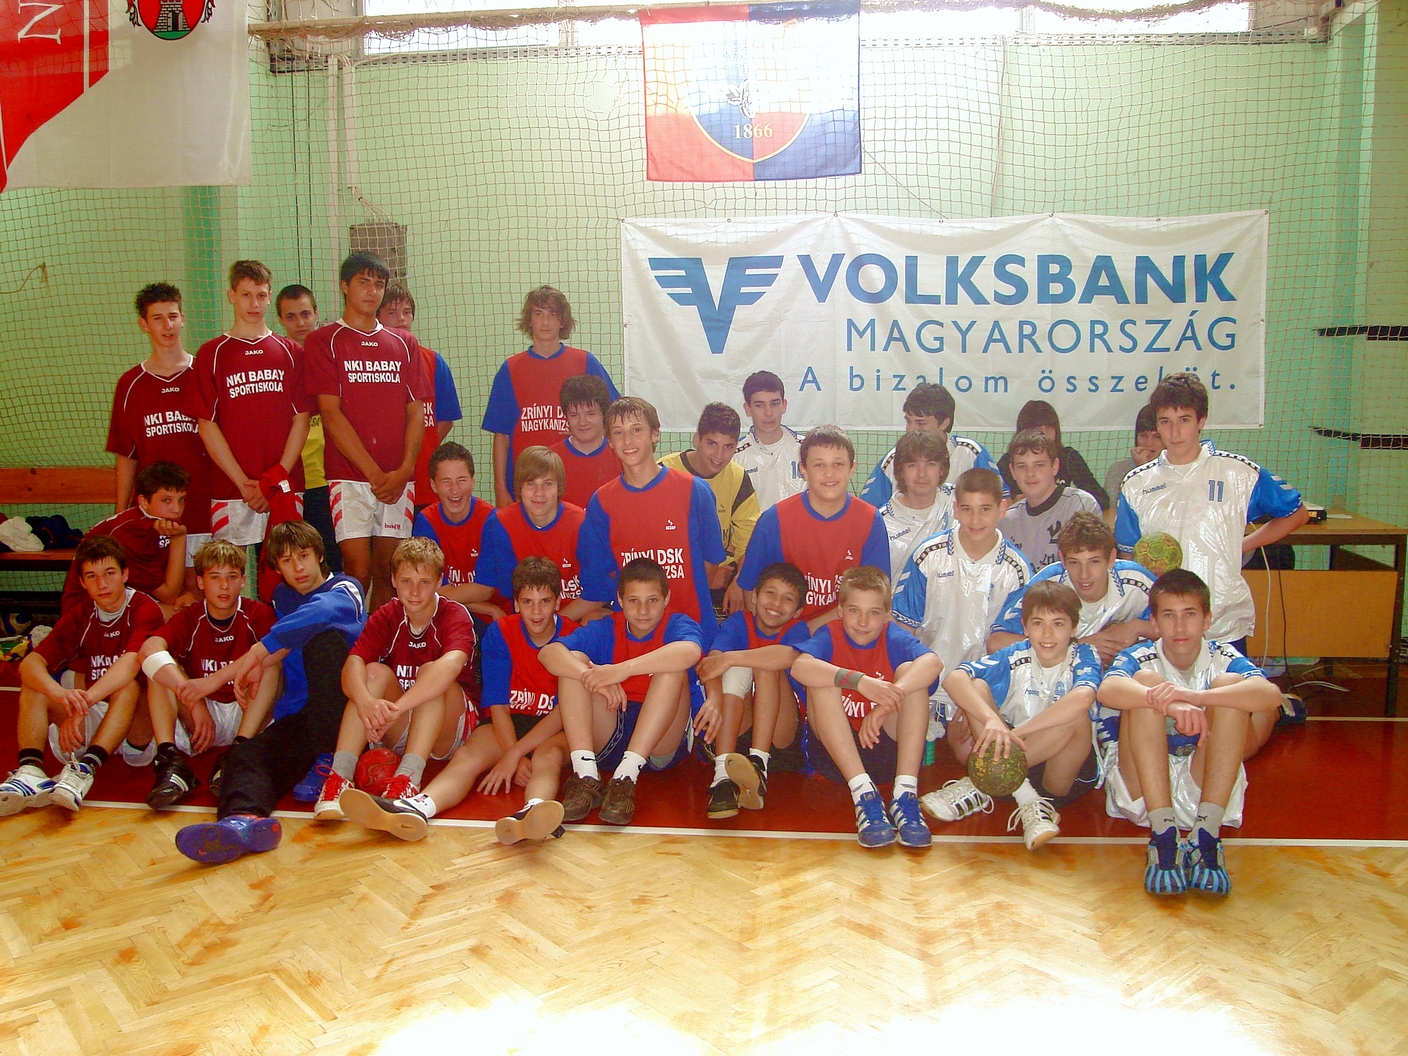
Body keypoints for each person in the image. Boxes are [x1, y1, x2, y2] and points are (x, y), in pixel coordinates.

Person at [1116, 371, 1307, 751]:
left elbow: (1296, 513)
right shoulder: (1136, 484)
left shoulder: (1237, 472)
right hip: (1166, 623)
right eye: (1165, 422)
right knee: (1171, 726)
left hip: (1222, 618)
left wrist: (1243, 543)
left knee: (1227, 738)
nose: (1174, 432)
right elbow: (1126, 555)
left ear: (1201, 421)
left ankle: (1272, 711)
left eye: (1184, 420)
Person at [341, 557, 576, 844]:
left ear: (558, 602)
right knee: (467, 756)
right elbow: (498, 705)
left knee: (547, 757)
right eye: (528, 602)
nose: (536, 611)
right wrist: (511, 752)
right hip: (508, 721)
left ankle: (534, 811)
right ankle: (418, 807)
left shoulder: (574, 635)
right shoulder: (501, 633)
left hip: (553, 725)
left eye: (545, 601)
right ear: (515, 604)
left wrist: (515, 755)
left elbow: (565, 712)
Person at [173, 520, 365, 864]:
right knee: (245, 755)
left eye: (303, 556)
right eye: (287, 561)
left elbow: (317, 614)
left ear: (320, 555)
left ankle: (331, 757)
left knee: (323, 641)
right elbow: (280, 646)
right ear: (277, 568)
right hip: (301, 715)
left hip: (345, 720)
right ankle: (242, 822)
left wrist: (257, 652)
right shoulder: (283, 597)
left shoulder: (347, 588)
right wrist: (220, 678)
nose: (298, 568)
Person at [1095, 568, 1282, 896]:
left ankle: (1206, 837)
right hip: (1143, 790)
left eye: (1190, 614)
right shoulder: (1141, 655)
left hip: (1204, 784)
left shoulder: (1222, 655)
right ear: (1154, 623)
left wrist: (1197, 698)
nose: (1180, 626)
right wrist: (1170, 704)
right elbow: (1107, 690)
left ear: (1207, 619)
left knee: (1229, 687)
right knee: (1147, 685)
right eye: (1169, 615)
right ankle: (1163, 838)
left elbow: (1271, 695)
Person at [926, 581, 1100, 849]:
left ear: (1074, 628)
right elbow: (954, 678)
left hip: (1059, 771)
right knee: (977, 687)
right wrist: (992, 720)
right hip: (1012, 762)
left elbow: (1083, 699)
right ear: (1025, 627)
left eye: (1058, 624)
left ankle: (980, 784)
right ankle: (1028, 799)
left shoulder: (1084, 655)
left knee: (1076, 714)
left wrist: (1015, 734)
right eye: (1038, 623)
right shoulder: (1016, 653)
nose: (1047, 633)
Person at [313, 537, 476, 819]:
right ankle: (339, 779)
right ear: (393, 580)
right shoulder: (386, 615)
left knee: (432, 673)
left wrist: (394, 710)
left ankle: (407, 780)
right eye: (406, 581)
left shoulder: (455, 615)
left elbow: (449, 668)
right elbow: (352, 665)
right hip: (400, 724)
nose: (414, 591)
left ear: (439, 581)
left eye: (424, 582)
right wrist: (367, 703)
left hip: (449, 730)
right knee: (371, 673)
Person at [0, 536, 165, 815]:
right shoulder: (80, 615)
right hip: (92, 715)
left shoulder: (144, 608)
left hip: (136, 730)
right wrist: (60, 695)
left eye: (109, 573)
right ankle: (30, 771)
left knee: (127, 687)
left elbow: (130, 665)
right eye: (92, 576)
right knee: (35, 685)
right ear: (82, 582)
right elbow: (30, 663)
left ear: (125, 574)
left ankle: (85, 770)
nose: (102, 584)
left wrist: (82, 703)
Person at [304, 252, 431, 609]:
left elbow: (416, 411)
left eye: (378, 284)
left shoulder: (405, 343)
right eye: (363, 282)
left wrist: (405, 470)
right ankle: (352, 641)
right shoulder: (323, 341)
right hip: (349, 478)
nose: (372, 291)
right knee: (356, 572)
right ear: (344, 286)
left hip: (398, 478)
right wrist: (375, 474)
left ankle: (379, 641)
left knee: (390, 572)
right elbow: (330, 414)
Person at [541, 558, 704, 827]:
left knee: (673, 668)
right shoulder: (607, 627)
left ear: (666, 599)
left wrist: (622, 670)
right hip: (610, 728)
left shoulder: (677, 624)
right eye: (634, 600)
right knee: (575, 661)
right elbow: (549, 653)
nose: (643, 610)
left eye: (652, 600)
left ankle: (626, 777)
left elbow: (690, 652)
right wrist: (591, 676)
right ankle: (586, 774)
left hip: (660, 744)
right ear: (620, 599)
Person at [789, 566, 941, 849]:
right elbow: (799, 667)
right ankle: (864, 796)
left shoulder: (892, 636)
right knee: (822, 678)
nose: (862, 621)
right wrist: (859, 682)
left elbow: (933, 663)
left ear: (886, 616)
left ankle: (905, 794)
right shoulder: (830, 634)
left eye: (873, 613)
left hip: (887, 755)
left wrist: (886, 703)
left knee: (911, 673)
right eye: (854, 611)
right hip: (835, 758)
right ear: (839, 611)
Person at [892, 467, 1033, 755]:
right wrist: (911, 686)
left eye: (985, 509)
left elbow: (1008, 650)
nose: (976, 519)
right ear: (955, 509)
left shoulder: (1016, 570)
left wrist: (980, 698)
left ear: (1002, 508)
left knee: (970, 755)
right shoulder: (928, 554)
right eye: (967, 509)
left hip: (976, 687)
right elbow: (904, 629)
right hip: (927, 684)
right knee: (898, 746)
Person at [137, 539, 280, 808]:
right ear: (200, 582)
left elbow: (281, 646)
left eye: (231, 577)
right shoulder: (190, 617)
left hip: (245, 711)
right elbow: (148, 650)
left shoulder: (258, 613)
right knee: (160, 667)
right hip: (202, 717)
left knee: (269, 661)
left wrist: (215, 680)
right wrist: (194, 701)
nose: (224, 586)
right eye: (215, 577)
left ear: (243, 581)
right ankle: (169, 760)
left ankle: (238, 752)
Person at [579, 396, 726, 647]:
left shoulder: (695, 491)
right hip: (636, 637)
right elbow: (605, 571)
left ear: (655, 434)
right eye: (618, 432)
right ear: (610, 441)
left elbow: (711, 561)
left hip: (693, 630)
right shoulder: (601, 502)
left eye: (636, 430)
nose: (627, 441)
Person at [195, 260, 312, 551]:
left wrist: (273, 479)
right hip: (232, 488)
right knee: (229, 569)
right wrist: (242, 483)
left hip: (283, 486)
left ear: (270, 296)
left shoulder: (291, 353)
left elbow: (301, 420)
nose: (254, 303)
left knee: (288, 566)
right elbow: (207, 425)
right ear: (231, 295)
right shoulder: (211, 354)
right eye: (246, 295)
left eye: (260, 295)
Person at [737, 425, 889, 630]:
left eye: (838, 464)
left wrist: (805, 634)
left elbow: (875, 598)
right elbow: (750, 590)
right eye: (819, 465)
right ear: (803, 470)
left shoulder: (870, 520)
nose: (829, 473)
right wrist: (769, 636)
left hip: (844, 632)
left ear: (852, 468)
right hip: (783, 634)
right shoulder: (774, 520)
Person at [107, 282, 212, 572]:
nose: (168, 326)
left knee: (201, 588)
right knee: (161, 590)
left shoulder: (205, 374)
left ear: (183, 318)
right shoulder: (130, 385)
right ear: (144, 324)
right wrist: (120, 515)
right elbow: (127, 455)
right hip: (154, 517)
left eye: (173, 316)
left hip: (203, 508)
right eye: (158, 318)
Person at [482, 286, 618, 506]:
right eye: (538, 314)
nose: (545, 322)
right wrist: (501, 489)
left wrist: (587, 433)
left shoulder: (584, 362)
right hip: (527, 483)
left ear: (562, 320)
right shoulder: (511, 369)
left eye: (552, 314)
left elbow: (613, 417)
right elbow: (501, 436)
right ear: (529, 320)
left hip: (575, 481)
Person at [694, 561, 809, 818]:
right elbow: (711, 663)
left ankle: (759, 763)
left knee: (765, 664)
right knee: (734, 668)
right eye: (770, 593)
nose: (776, 603)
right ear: (754, 596)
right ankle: (722, 777)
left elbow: (789, 656)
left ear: (798, 611)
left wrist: (732, 658)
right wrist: (713, 698)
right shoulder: (738, 622)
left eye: (787, 599)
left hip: (780, 739)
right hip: (737, 733)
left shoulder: (797, 629)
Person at [989, 512, 1155, 666]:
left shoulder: (1137, 580)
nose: (1084, 574)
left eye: (1094, 562)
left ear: (1111, 558)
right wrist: (1077, 647)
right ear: (1062, 559)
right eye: (1074, 562)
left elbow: (1170, 624)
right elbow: (996, 642)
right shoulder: (1047, 586)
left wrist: (1138, 626)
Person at [475, 446, 602, 624]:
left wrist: (554, 625)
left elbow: (599, 593)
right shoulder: (501, 524)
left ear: (559, 487)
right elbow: (512, 593)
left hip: (572, 616)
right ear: (519, 487)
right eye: (531, 483)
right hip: (528, 618)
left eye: (547, 484)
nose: (539, 493)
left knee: (594, 619)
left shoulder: (581, 523)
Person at [660, 402, 760, 616]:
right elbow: (655, 544)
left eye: (728, 447)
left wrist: (740, 582)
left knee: (755, 593)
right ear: (697, 439)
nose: (719, 455)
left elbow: (749, 543)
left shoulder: (738, 477)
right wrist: (704, 575)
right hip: (674, 574)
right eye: (712, 444)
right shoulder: (665, 472)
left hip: (724, 575)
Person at [61, 462, 192, 617]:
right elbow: (169, 596)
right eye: (167, 500)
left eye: (181, 500)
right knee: (187, 617)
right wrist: (179, 539)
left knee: (193, 609)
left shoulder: (161, 520)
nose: (176, 509)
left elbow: (168, 579)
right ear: (143, 501)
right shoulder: (131, 535)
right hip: (86, 612)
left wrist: (186, 593)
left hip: (121, 600)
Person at [376, 283, 463, 510]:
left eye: (407, 312)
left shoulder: (433, 361)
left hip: (424, 478)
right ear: (377, 317)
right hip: (384, 480)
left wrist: (418, 449)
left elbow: (446, 419)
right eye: (392, 312)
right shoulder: (371, 365)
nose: (401, 319)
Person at [276, 284, 341, 572]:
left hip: (330, 480)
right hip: (291, 483)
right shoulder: (276, 363)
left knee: (332, 563)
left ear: (316, 313)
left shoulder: (332, 358)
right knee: (291, 565)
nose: (300, 323)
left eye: (305, 314)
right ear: (280, 320)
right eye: (291, 317)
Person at [859, 383, 999, 508]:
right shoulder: (894, 458)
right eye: (908, 421)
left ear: (944, 423)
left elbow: (1000, 502)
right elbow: (868, 510)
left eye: (920, 423)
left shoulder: (971, 453)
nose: (911, 430)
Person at [411, 442, 505, 621]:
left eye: (461, 480)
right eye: (446, 481)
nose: (454, 490)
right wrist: (488, 609)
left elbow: (485, 589)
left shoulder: (492, 520)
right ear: (433, 485)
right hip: (453, 609)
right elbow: (431, 589)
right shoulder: (426, 521)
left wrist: (490, 609)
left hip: (495, 615)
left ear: (473, 482)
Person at [1000, 429, 1102, 570]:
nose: (1030, 473)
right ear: (1012, 471)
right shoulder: (1006, 521)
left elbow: (1087, 571)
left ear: (1054, 466)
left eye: (1039, 465)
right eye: (1022, 466)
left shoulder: (1080, 506)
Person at [997, 399, 1109, 509]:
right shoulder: (1008, 461)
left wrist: (1064, 500)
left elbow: (1101, 499)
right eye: (1037, 427)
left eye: (1049, 427)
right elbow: (994, 503)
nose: (1044, 432)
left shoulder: (1068, 457)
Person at [878, 429, 954, 579]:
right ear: (901, 471)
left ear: (941, 469)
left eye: (930, 464)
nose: (922, 474)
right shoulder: (882, 522)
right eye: (912, 465)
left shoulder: (959, 500)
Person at [732, 370, 805, 510]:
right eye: (759, 405)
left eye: (774, 404)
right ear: (748, 409)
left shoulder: (807, 449)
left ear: (784, 405)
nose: (768, 413)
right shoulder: (734, 456)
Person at [549, 374, 621, 510]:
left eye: (590, 414)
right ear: (566, 417)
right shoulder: (549, 460)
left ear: (604, 414)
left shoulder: (621, 456)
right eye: (574, 415)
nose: (582, 422)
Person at [1103, 404, 1163, 507]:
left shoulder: (1177, 469)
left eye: (1157, 436)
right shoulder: (1120, 469)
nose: (1149, 443)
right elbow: (1112, 507)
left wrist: (1145, 470)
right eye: (1143, 435)